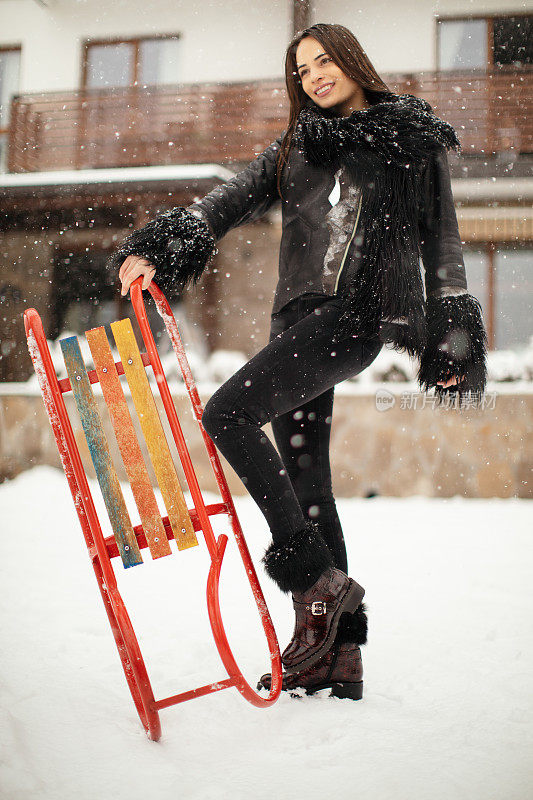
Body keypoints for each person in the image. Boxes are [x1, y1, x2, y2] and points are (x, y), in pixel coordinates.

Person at [110, 23, 488, 700]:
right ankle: (335, 657)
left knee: (226, 414)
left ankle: (316, 586)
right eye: (301, 67)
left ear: (350, 60)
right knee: (309, 488)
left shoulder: (407, 139)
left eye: (323, 60)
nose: (313, 74)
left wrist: (453, 335)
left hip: (354, 316)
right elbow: (226, 199)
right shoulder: (297, 146)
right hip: (296, 321)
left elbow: (443, 241)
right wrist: (161, 246)